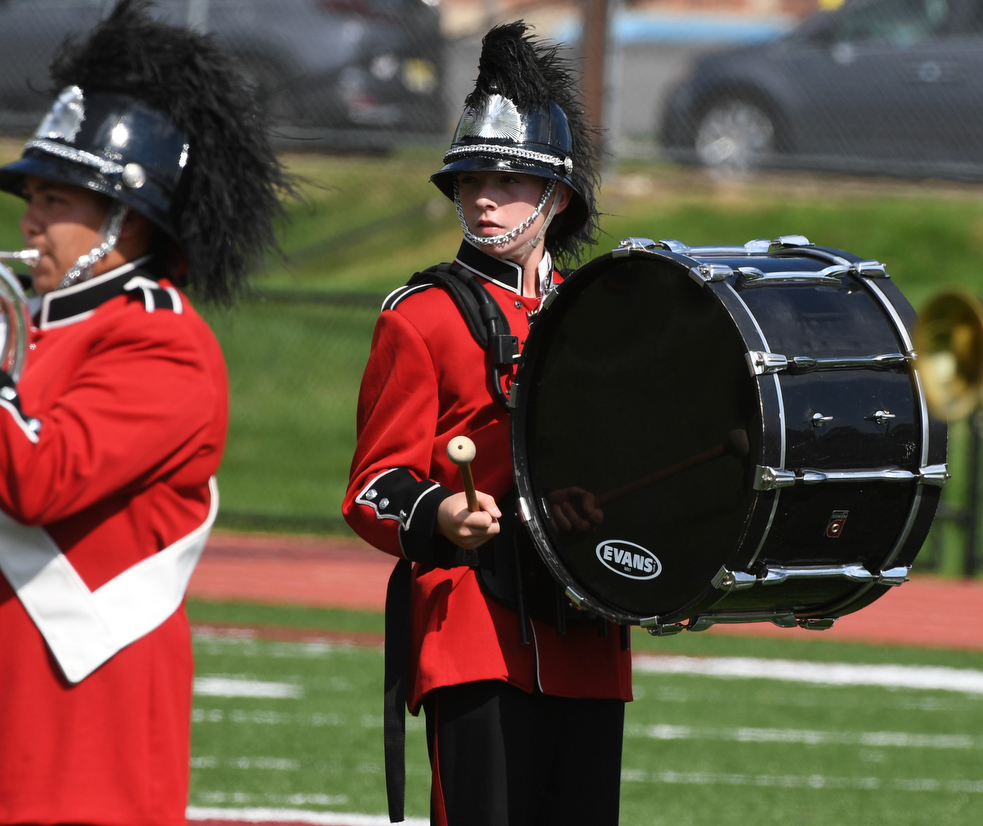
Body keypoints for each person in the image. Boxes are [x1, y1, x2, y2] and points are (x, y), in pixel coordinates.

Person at [0, 1, 289, 823]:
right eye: (34, 198)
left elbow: (38, 476)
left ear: (124, 219)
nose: (28, 221)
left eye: (55, 201)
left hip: (73, 720)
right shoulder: (12, 330)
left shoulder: (163, 347)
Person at [342, 22, 631, 826]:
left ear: (557, 197)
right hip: (471, 634)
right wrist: (441, 513)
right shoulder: (423, 315)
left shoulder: (599, 316)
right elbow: (371, 489)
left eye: (505, 178)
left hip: (587, 643)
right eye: (469, 178)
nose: (481, 195)